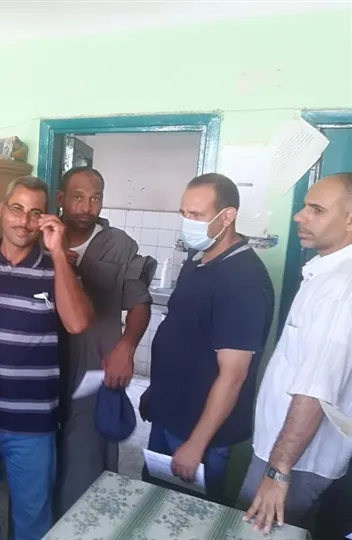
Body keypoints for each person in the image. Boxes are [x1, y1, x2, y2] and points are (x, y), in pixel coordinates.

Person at [0, 176, 93, 540]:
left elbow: (78, 323)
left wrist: (59, 254)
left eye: (35, 213)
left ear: (46, 219)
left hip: (33, 423)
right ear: (2, 211)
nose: (24, 221)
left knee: (33, 520)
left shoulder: (57, 270)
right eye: (17, 209)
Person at [140, 173, 274, 503]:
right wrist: (157, 394)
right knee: (153, 504)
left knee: (187, 514)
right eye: (184, 213)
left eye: (197, 215)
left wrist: (197, 443)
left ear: (227, 217)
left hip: (199, 434)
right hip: (170, 415)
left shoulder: (243, 280)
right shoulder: (199, 260)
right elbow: (182, 333)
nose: (188, 222)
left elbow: (233, 375)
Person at [241, 173, 352, 534]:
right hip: (288, 456)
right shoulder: (325, 273)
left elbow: (315, 389)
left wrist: (277, 472)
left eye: (316, 210)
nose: (299, 216)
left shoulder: (341, 288)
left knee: (255, 531)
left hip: (296, 464)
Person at [54, 166, 153, 516]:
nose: (86, 207)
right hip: (44, 367)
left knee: (87, 458)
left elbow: (140, 303)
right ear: (61, 198)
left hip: (95, 369)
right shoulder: (42, 237)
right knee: (40, 460)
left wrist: (126, 347)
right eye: (78, 197)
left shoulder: (120, 246)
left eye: (95, 198)